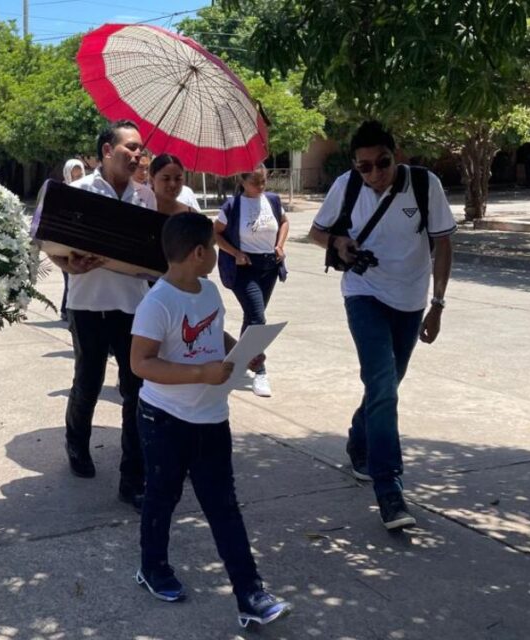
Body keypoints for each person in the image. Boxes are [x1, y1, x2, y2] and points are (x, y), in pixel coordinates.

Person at [130, 212, 293, 628]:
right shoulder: (157, 302)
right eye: (214, 248)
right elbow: (140, 363)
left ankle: (250, 594)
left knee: (223, 506)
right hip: (164, 419)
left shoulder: (209, 292)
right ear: (199, 252)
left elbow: (214, 334)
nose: (217, 255)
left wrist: (243, 352)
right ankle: (152, 567)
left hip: (212, 418)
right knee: (161, 498)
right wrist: (200, 373)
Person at [309, 121, 454, 531]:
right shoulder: (347, 186)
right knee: (383, 384)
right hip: (363, 292)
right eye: (364, 167)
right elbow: (317, 232)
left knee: (385, 385)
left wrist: (438, 304)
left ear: (397, 154)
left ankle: (358, 440)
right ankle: (389, 488)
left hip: (411, 301)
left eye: (382, 163)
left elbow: (443, 244)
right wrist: (339, 244)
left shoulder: (425, 186)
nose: (373, 174)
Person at [52, 119, 153, 511]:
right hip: (88, 304)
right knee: (88, 382)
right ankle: (76, 443)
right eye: (130, 147)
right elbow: (48, 241)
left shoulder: (144, 198)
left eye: (141, 149)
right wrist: (66, 263)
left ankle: (133, 477)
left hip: (133, 307)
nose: (138, 155)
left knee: (136, 390)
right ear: (107, 151)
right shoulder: (77, 193)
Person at [213, 166, 289, 398]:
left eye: (264, 181)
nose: (261, 186)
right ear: (242, 180)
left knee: (252, 317)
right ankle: (260, 371)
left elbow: (284, 222)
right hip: (244, 269)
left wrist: (280, 245)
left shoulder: (273, 201)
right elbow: (215, 233)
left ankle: (237, 362)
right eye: (255, 182)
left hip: (269, 267)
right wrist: (235, 252)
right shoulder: (232, 206)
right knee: (258, 318)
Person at [59, 159, 87, 321]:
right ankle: (67, 310)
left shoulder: (88, 191)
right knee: (70, 276)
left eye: (80, 175)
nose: (77, 179)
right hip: (67, 244)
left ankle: (66, 309)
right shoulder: (63, 193)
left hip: (82, 243)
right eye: (73, 175)